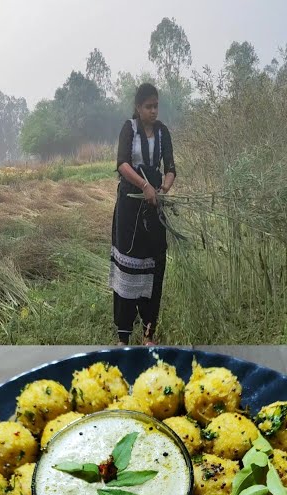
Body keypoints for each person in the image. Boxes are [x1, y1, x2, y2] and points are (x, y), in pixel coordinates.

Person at [111, 82, 177, 346]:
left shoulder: (163, 132)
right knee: (127, 267)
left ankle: (149, 333)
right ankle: (124, 335)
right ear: (138, 107)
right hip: (130, 207)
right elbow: (122, 164)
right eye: (148, 106)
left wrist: (163, 187)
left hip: (153, 209)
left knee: (154, 267)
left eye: (156, 106)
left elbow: (170, 167)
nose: (153, 111)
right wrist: (144, 186)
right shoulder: (129, 128)